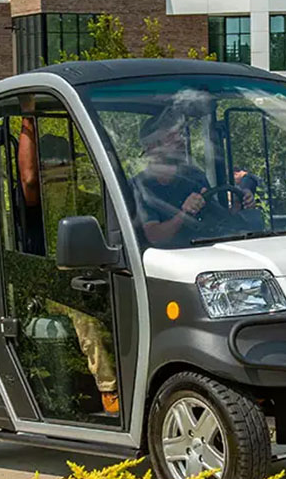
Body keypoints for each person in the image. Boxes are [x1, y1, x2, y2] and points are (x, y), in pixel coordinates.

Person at [16, 94, 119, 414]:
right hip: (52, 285)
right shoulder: (40, 199)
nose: (63, 169)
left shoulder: (86, 198)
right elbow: (29, 179)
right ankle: (110, 390)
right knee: (85, 313)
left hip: (93, 276)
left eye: (67, 162)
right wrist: (27, 119)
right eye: (55, 163)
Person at [134, 112, 255, 247]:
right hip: (166, 260)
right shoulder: (139, 186)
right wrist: (184, 214)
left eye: (180, 134)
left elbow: (219, 222)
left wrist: (239, 205)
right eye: (171, 136)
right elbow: (153, 236)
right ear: (152, 147)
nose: (181, 140)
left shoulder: (194, 176)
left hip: (205, 251)